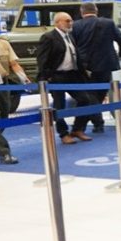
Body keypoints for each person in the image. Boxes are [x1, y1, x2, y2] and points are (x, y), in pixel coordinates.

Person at [36, 12, 95, 144]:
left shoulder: (70, 36)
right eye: (67, 21)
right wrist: (47, 77)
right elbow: (42, 59)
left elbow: (75, 57)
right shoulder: (48, 37)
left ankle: (77, 129)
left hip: (72, 75)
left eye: (71, 21)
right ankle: (63, 134)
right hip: (56, 77)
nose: (70, 23)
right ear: (57, 22)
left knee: (85, 100)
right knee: (59, 106)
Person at [72, 1, 121, 133]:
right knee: (100, 94)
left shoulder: (76, 25)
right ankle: (97, 122)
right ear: (96, 10)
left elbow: (73, 45)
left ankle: (96, 123)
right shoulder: (108, 23)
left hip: (85, 66)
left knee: (90, 95)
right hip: (105, 64)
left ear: (81, 12)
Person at [0, 36, 27, 163]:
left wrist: (24, 79)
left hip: (2, 83)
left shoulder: (3, 43)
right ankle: (4, 152)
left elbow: (13, 64)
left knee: (4, 115)